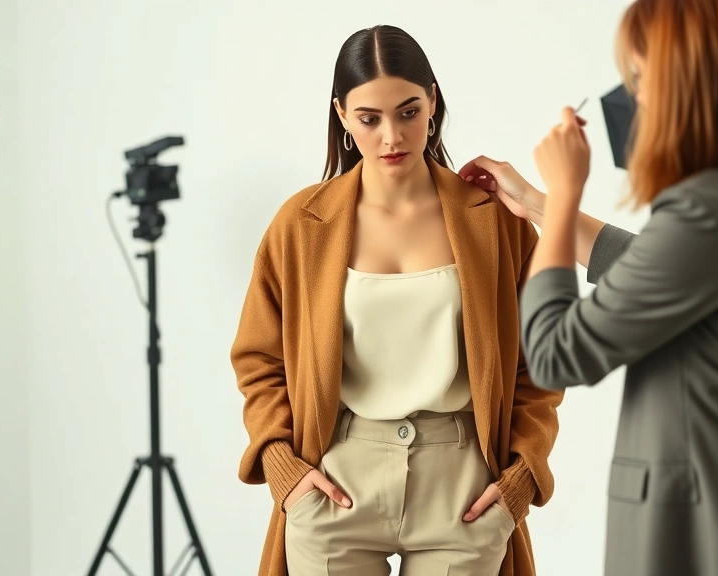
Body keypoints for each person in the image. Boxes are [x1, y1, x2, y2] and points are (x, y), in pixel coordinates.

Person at [460, 0, 718, 574]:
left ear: (697, 75)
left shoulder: (710, 208)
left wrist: (567, 188)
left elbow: (554, 354)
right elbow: (679, 272)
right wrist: (539, 205)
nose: (639, 96)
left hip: (715, 530)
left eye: (645, 78)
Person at [231, 24, 563, 576]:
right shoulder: (301, 225)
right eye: (370, 118)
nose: (392, 136)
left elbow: (541, 363)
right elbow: (258, 360)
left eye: (409, 112)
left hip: (462, 489)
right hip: (337, 481)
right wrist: (284, 472)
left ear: (433, 101)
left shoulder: (496, 222)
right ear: (341, 115)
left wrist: (519, 480)